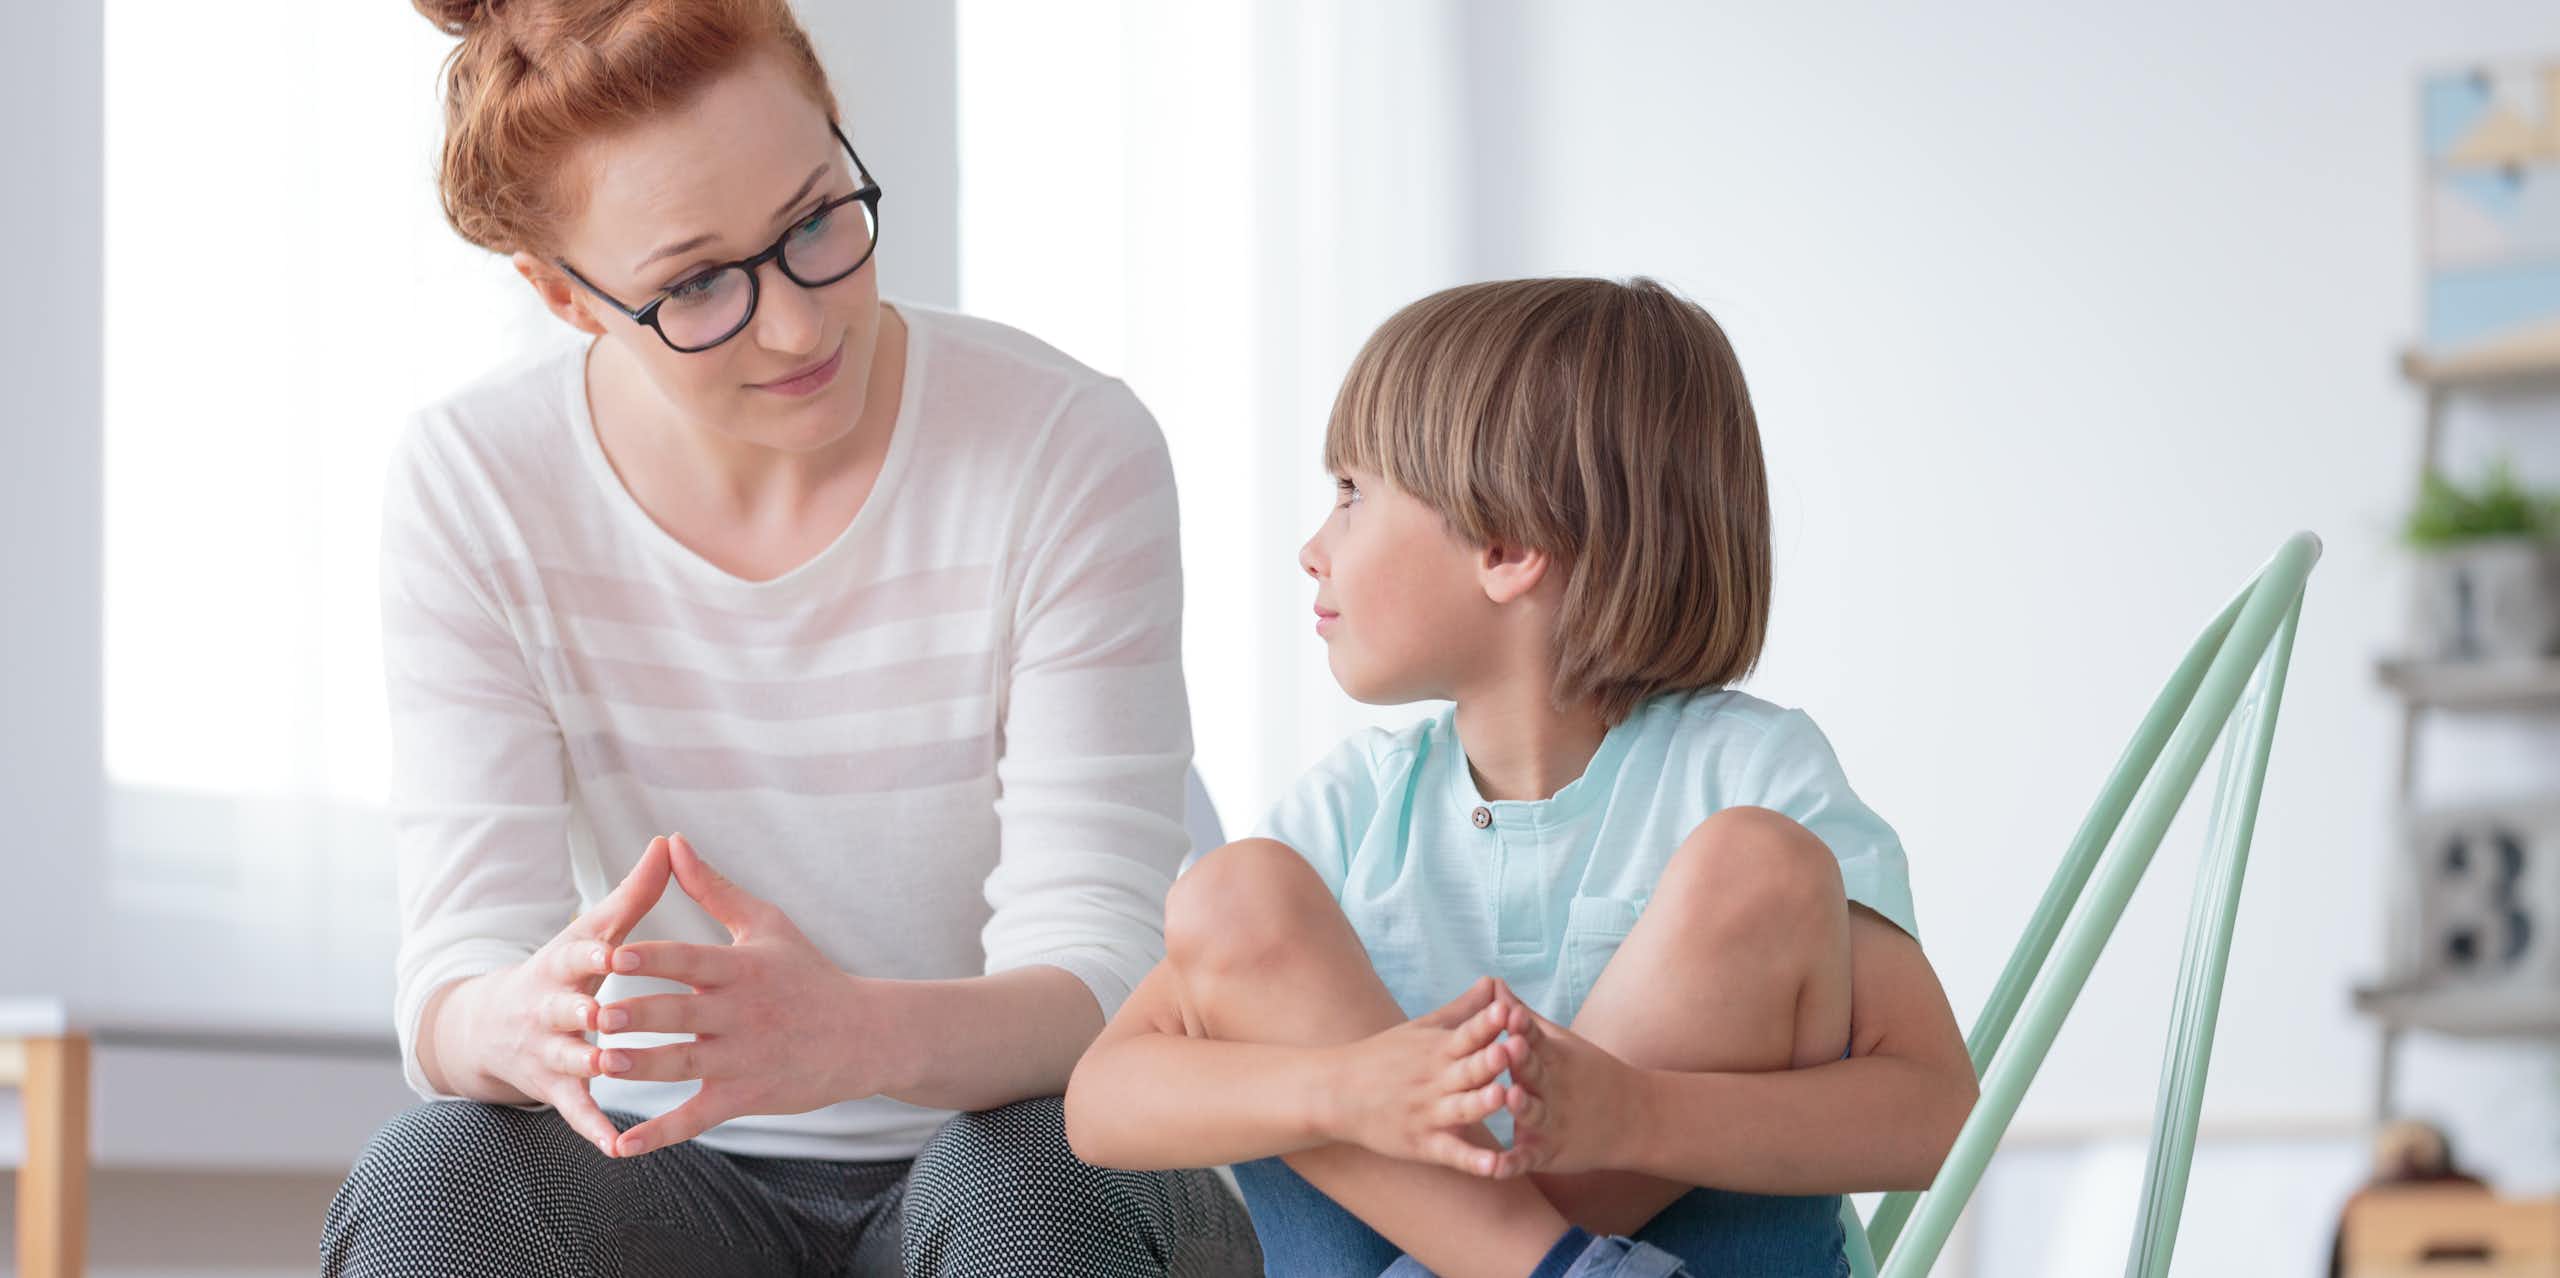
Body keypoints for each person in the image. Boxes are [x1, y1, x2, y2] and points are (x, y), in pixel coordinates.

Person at [321, 1, 1257, 1273]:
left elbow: (1107, 974)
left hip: (1001, 1144)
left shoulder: (1064, 446)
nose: (802, 325)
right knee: (437, 1172)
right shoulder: (476, 480)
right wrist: (515, 1016)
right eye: (697, 284)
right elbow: (452, 977)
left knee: (1034, 1180)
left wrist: (855, 1037)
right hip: (661, 1174)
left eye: (819, 219)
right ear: (565, 296)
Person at [1064, 277, 1980, 1276]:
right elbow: (1102, 1104)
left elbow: (1933, 1113)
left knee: (1756, 865)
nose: (1313, 550)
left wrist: (1636, 1113)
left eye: (1352, 495)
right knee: (1234, 893)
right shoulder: (1353, 810)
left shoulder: (1749, 777)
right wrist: (1346, 1087)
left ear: (1505, 547)